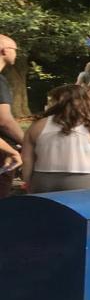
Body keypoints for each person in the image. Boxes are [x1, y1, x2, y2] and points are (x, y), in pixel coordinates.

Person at [20, 84, 90, 193]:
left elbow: (26, 160)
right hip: (84, 180)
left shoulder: (37, 125)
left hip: (43, 179)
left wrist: (29, 182)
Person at [0, 33, 27, 199]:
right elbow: (4, 120)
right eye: (14, 50)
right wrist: (27, 142)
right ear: (4, 51)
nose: (16, 54)